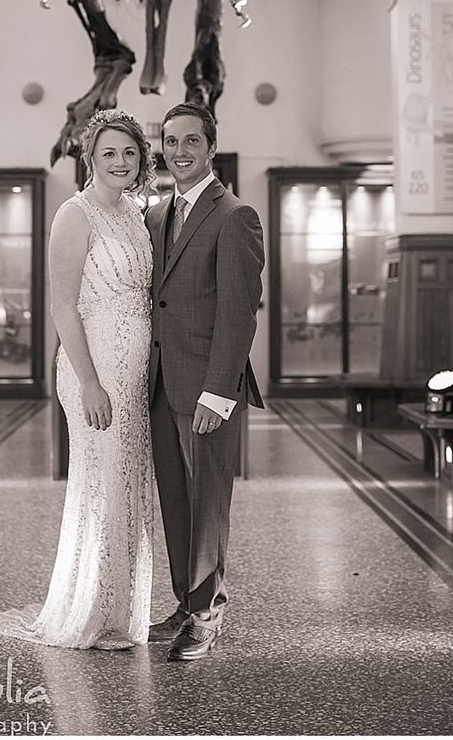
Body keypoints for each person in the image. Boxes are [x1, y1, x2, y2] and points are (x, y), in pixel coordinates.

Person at [0, 109, 156, 650]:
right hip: (93, 362)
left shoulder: (134, 212)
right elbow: (61, 305)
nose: (120, 162)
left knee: (127, 480)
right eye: (109, 153)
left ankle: (121, 610)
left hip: (135, 367)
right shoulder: (74, 215)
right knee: (100, 484)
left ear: (141, 158)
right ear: (91, 159)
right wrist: (89, 382)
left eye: (129, 152)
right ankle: (91, 613)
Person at [145, 102, 264, 662]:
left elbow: (239, 312)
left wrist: (219, 392)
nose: (180, 151)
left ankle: (208, 613)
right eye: (171, 141)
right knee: (175, 499)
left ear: (211, 148)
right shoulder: (159, 213)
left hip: (208, 389)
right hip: (161, 383)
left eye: (191, 141)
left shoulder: (234, 215)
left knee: (209, 501)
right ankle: (184, 602)